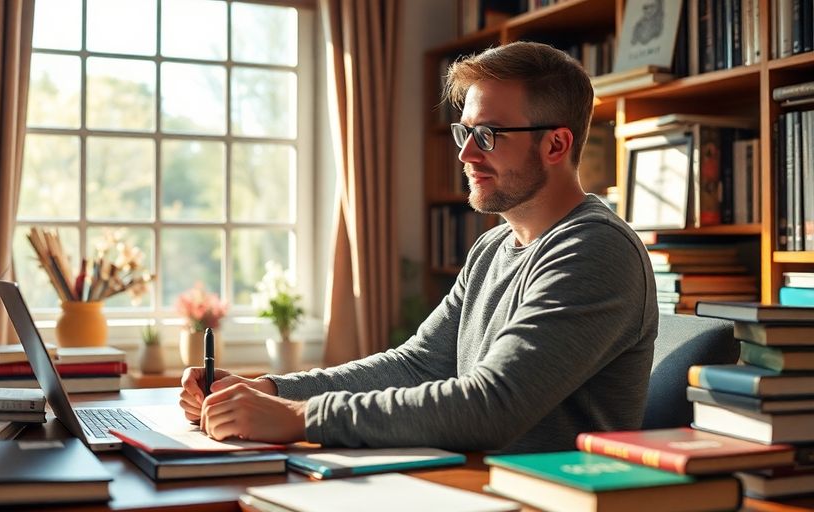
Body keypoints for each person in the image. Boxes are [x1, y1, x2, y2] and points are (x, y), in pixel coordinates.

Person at [179, 41, 658, 453]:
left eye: (488, 135)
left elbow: (493, 405)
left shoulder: (595, 249)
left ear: (556, 145)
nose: (466, 154)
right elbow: (416, 366)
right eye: (465, 131)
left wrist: (301, 417)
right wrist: (267, 389)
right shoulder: (493, 248)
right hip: (472, 484)